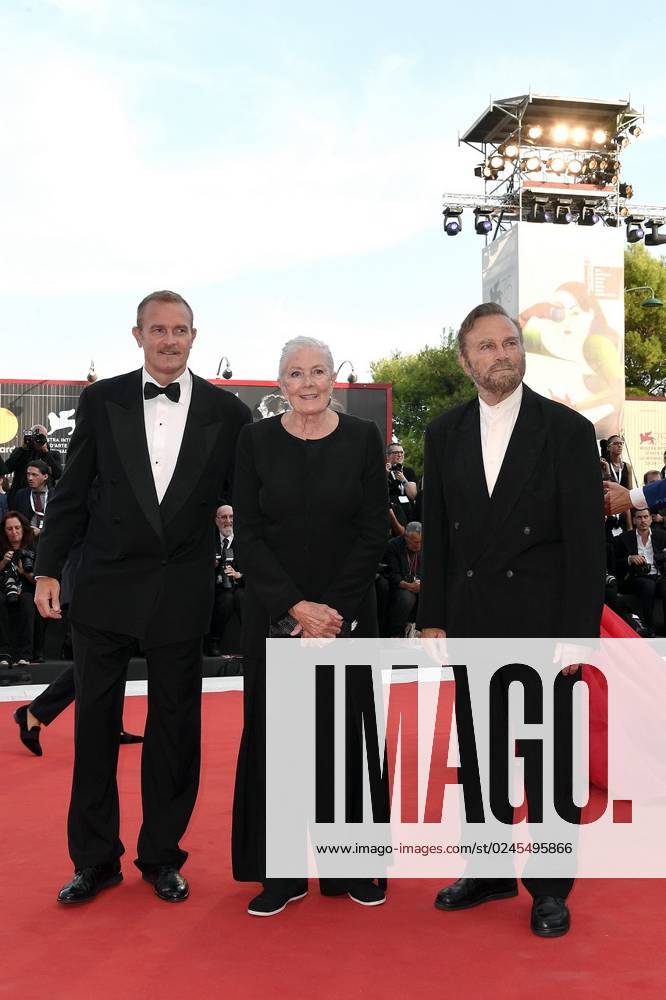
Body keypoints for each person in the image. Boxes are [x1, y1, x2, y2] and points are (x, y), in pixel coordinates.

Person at [34, 289, 251, 906]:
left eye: (180, 330)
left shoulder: (227, 413)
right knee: (95, 732)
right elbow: (72, 493)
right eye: (157, 329)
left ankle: (162, 855)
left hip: (179, 592)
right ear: (137, 336)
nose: (169, 339)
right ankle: (95, 860)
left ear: (193, 336)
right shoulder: (101, 401)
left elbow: (254, 509)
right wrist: (49, 571)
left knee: (174, 733)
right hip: (105, 588)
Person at [417, 301, 605, 938]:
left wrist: (580, 631)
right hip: (471, 620)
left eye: (509, 343)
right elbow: (437, 535)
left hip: (546, 625)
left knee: (550, 761)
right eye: (487, 347)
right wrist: (433, 618)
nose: (502, 354)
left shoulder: (568, 432)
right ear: (466, 360)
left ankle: (550, 886)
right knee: (482, 755)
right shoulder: (442, 434)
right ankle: (490, 869)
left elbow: (587, 544)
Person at [232, 335, 389, 916]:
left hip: (346, 617)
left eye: (319, 371)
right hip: (276, 619)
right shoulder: (254, 442)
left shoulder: (362, 440)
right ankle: (281, 873)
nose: (308, 382)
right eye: (296, 373)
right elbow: (247, 535)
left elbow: (375, 530)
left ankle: (353, 867)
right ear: (280, 383)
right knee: (279, 743)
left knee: (347, 739)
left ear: (333, 380)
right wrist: (295, 608)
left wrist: (333, 612)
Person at [614, 509, 666, 637]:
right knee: (648, 586)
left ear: (650, 519)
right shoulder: (624, 538)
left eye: (645, 517)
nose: (642, 520)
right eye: (639, 517)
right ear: (633, 520)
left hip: (658, 575)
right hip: (635, 577)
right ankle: (649, 626)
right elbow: (615, 561)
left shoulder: (662, 535)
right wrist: (630, 559)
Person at [0, 511, 37, 666]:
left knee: (28, 601)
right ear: (4, 531)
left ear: (23, 528)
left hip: (27, 590)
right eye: (9, 529)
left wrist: (24, 572)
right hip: (3, 590)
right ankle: (3, 653)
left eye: (17, 528)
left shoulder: (33, 547)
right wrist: (2, 563)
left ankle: (25, 654)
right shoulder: (1, 547)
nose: (14, 532)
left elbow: (39, 580)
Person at [207, 504, 244, 656]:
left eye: (231, 517)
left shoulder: (244, 540)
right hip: (216, 587)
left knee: (243, 598)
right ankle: (213, 641)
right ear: (216, 520)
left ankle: (252, 642)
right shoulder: (208, 540)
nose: (228, 521)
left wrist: (238, 575)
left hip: (241, 584)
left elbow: (256, 568)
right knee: (226, 599)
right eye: (223, 517)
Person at [5, 424, 62, 504]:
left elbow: (57, 474)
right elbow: (7, 468)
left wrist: (45, 453)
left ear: (46, 438)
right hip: (20, 498)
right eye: (34, 437)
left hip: (44, 500)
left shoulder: (53, 454)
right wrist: (23, 448)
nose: (37, 440)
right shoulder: (21, 452)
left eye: (40, 437)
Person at [384, 521, 421, 637]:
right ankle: (395, 633)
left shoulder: (425, 546)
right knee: (407, 598)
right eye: (415, 542)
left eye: (421, 542)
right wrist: (410, 586)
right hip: (401, 585)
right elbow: (393, 575)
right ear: (406, 538)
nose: (419, 546)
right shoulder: (393, 546)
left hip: (418, 583)